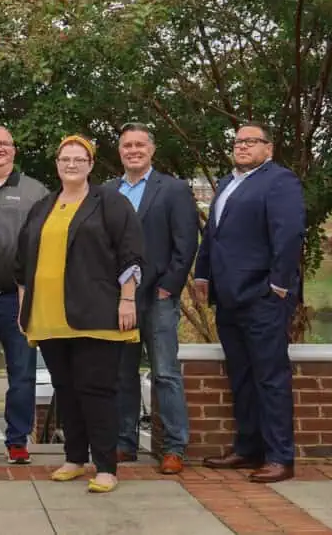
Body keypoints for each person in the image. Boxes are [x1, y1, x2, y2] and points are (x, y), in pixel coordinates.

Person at [15, 135, 143, 493]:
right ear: (57, 164)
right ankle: (74, 458)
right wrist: (22, 307)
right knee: (66, 389)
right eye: (64, 159)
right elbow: (22, 263)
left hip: (97, 313)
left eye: (78, 159)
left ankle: (106, 466)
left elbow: (130, 254)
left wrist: (128, 300)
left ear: (90, 165)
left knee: (96, 390)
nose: (71, 164)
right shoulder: (43, 206)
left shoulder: (110, 203)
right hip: (49, 314)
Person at [194, 122, 306, 484]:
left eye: (251, 142)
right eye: (238, 141)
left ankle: (279, 457)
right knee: (241, 376)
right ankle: (247, 448)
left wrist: (277, 286)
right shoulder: (228, 183)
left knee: (270, 378)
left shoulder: (279, 181)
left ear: (268, 149)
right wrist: (202, 274)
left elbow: (289, 234)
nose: (242, 147)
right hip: (228, 297)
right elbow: (214, 233)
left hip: (263, 297)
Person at [109, 123, 199, 474]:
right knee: (123, 374)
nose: (133, 150)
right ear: (120, 151)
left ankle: (175, 447)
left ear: (152, 150)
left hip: (158, 297)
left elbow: (186, 242)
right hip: (119, 300)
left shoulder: (173, 190)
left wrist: (168, 287)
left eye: (139, 145)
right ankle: (124, 443)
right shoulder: (107, 191)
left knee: (165, 373)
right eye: (127, 145)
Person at [0, 126, 48, 465]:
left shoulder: (35, 191)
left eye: (5, 144)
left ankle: (17, 440)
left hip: (20, 299)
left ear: (14, 151)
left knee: (23, 373)